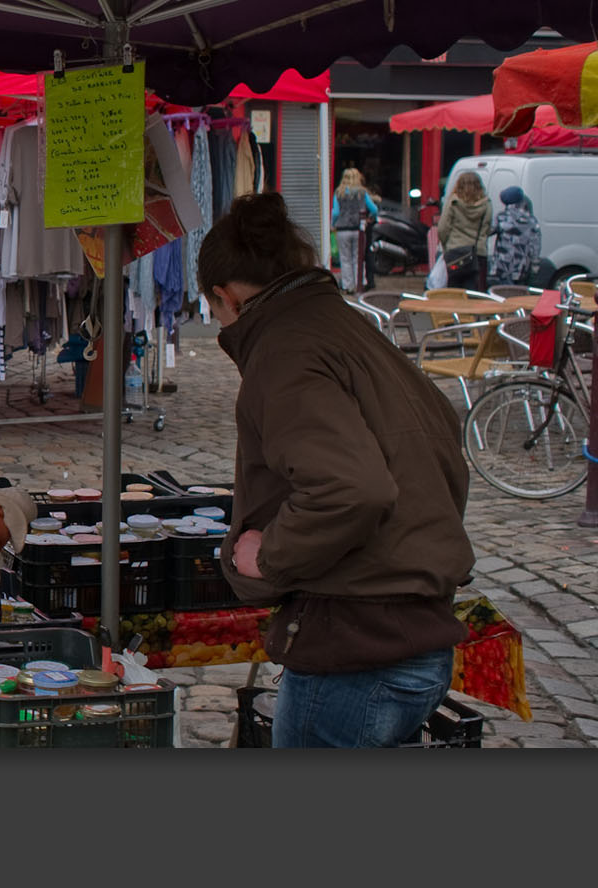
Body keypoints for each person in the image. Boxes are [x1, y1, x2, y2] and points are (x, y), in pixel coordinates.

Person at [200, 192, 473, 747]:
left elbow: (354, 490)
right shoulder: (342, 326)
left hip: (359, 649)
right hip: (405, 637)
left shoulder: (286, 350)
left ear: (224, 296)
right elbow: (438, 452)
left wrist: (269, 551)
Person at [434, 171, 493, 289]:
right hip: (478, 253)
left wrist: (446, 246)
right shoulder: (486, 204)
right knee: (475, 291)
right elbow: (486, 229)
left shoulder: (453, 203)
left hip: (455, 252)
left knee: (454, 291)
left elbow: (442, 228)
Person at [329, 168, 379, 294]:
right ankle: (359, 284)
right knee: (358, 258)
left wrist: (333, 224)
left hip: (342, 230)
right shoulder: (362, 193)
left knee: (345, 258)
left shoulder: (339, 193)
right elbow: (374, 209)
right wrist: (369, 218)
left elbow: (335, 212)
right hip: (359, 230)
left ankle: (348, 286)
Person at [487, 185, 542, 287]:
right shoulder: (532, 221)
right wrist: (535, 264)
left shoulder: (502, 217)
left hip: (502, 265)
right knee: (518, 294)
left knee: (501, 294)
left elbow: (487, 232)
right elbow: (536, 245)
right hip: (521, 268)